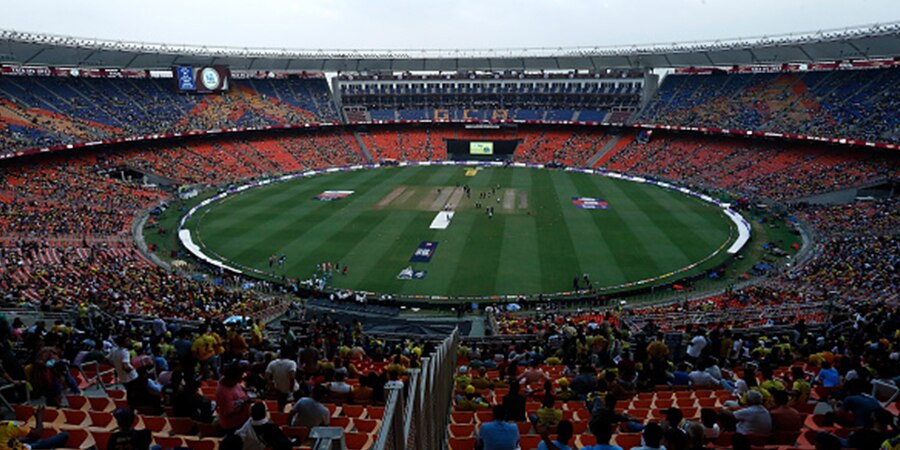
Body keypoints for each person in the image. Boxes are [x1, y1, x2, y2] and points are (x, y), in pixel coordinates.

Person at [0, 406, 69, 450]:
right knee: (64, 435)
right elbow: (37, 435)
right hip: (26, 448)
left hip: (18, 444)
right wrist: (39, 416)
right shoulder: (8, 426)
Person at [216, 363, 252, 432]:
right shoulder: (224, 393)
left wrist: (247, 390)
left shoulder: (230, 381)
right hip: (234, 425)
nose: (240, 380)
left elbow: (237, 386)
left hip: (243, 419)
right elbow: (229, 412)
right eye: (238, 378)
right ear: (232, 378)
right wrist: (244, 402)